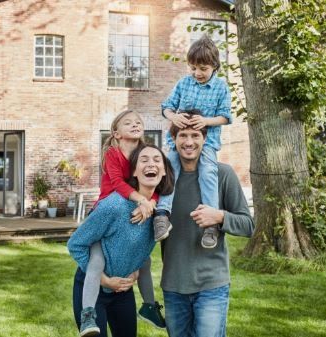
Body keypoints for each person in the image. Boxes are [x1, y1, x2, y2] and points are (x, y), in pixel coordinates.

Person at [160, 110, 254, 337]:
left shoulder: (223, 174)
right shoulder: (164, 179)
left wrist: (220, 217)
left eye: (195, 135)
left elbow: (248, 225)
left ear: (205, 139)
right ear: (174, 139)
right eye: (183, 135)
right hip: (173, 284)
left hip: (212, 284)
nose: (189, 142)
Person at [68, 144, 174, 337]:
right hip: (92, 286)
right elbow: (75, 244)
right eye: (144, 160)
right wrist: (105, 281)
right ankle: (88, 316)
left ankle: (150, 307)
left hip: (123, 290)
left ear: (165, 171)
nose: (151, 164)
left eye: (157, 160)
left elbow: (142, 250)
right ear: (134, 171)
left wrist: (134, 268)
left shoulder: (161, 214)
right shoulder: (114, 206)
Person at [155, 34, 232, 249]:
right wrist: (173, 117)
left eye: (203, 69)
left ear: (214, 67)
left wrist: (205, 121)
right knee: (169, 168)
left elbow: (225, 117)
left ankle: (210, 224)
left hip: (206, 143)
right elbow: (166, 107)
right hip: (179, 142)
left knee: (208, 172)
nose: (197, 73)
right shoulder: (184, 83)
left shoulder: (221, 88)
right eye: (193, 68)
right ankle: (162, 215)